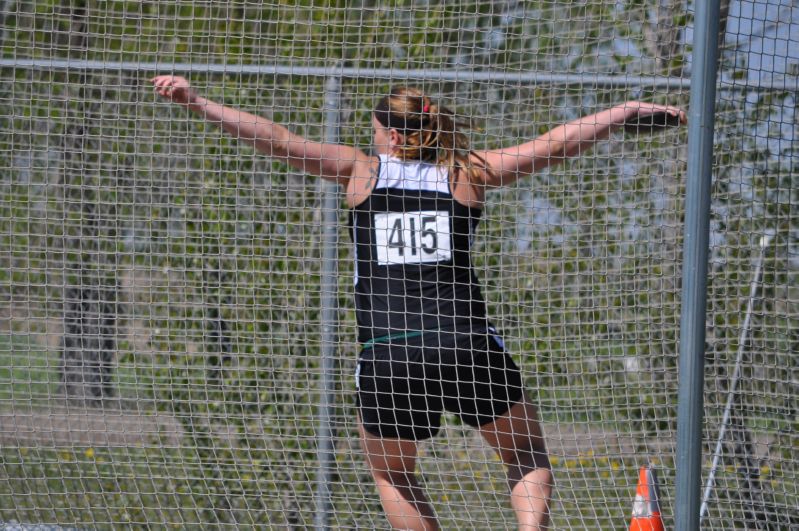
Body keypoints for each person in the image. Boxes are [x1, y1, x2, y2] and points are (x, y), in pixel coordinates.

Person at [151, 75, 686, 531]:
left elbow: (276, 139)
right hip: (464, 343)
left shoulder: (362, 172)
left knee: (393, 473)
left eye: (376, 129)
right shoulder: (467, 173)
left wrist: (198, 102)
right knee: (524, 455)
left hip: (388, 353)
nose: (371, 136)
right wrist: (624, 111)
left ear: (392, 134)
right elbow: (556, 144)